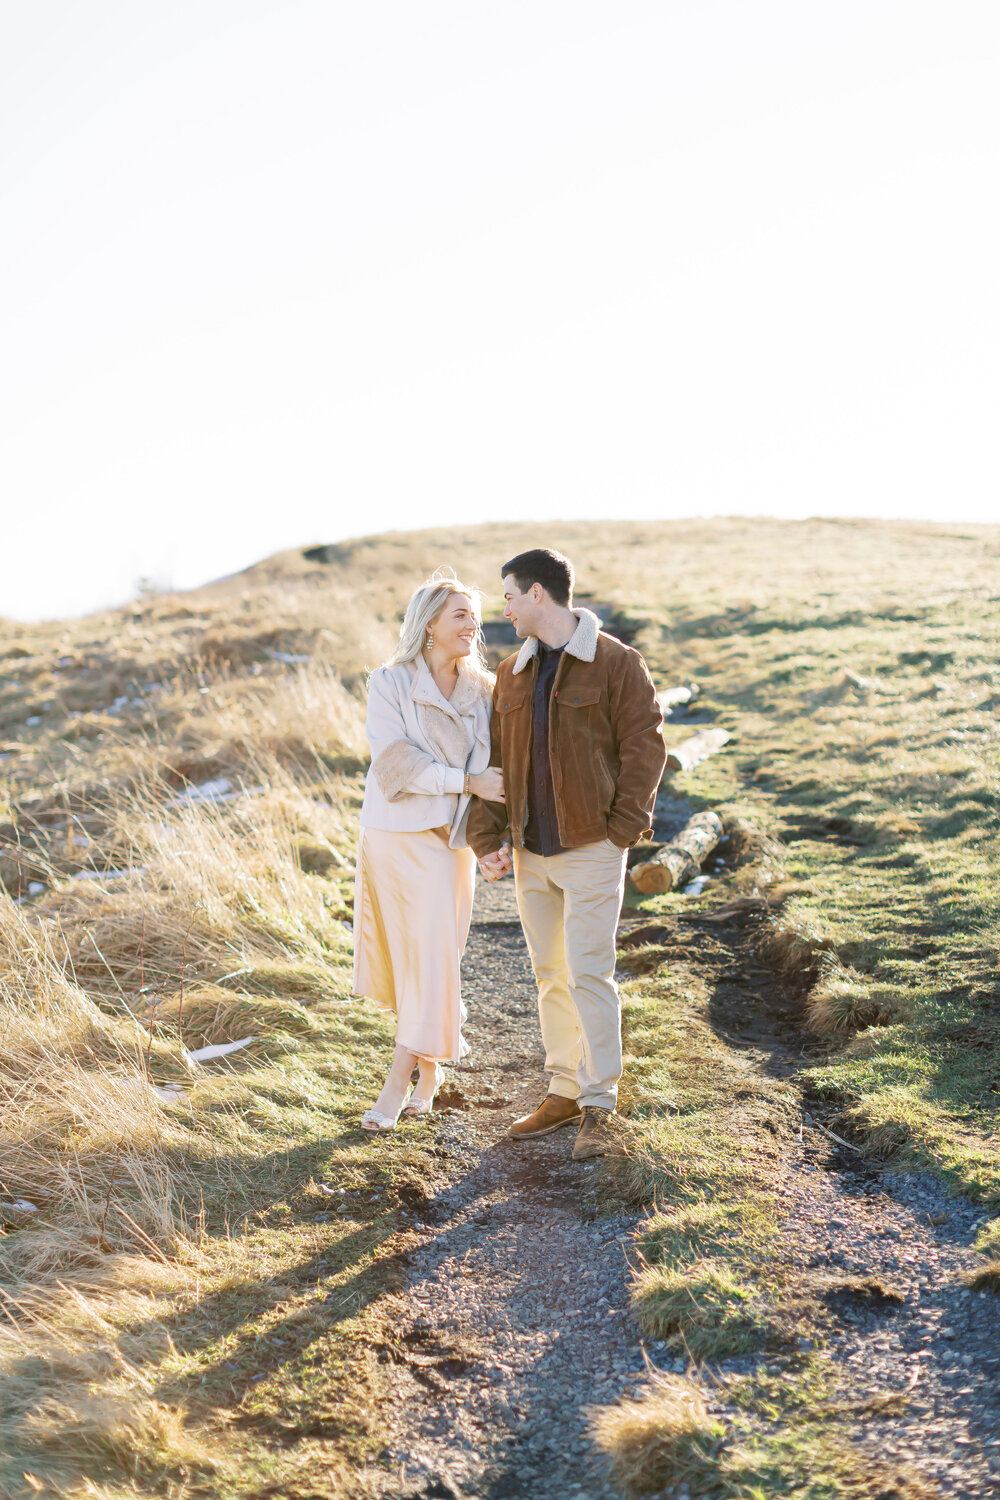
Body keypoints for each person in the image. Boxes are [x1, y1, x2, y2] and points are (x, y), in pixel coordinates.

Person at [467, 548, 665, 1160]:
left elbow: (645, 745)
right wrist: (487, 838)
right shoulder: (512, 673)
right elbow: (498, 761)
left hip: (592, 849)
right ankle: (562, 1091)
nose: (502, 608)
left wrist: (621, 830)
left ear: (537, 595)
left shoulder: (615, 663)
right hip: (532, 852)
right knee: (550, 975)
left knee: (589, 973)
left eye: (507, 596)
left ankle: (600, 1101)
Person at [353, 569, 504, 1131]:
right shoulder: (388, 683)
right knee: (413, 960)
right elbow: (393, 764)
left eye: (476, 617)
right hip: (393, 834)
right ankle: (429, 1071)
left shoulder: (484, 692)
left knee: (436, 954)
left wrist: (493, 839)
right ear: (430, 624)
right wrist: (465, 783)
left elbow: (496, 773)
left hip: (449, 841)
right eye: (461, 615)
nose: (473, 626)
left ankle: (397, 1084)